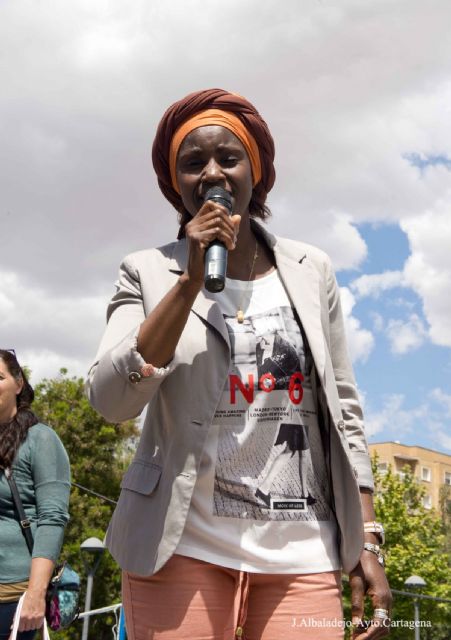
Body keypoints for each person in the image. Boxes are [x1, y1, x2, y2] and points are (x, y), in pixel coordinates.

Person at [87, 88, 392, 639]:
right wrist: (188, 282)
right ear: (173, 182)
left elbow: (343, 408)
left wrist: (367, 536)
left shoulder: (310, 268)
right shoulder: (146, 271)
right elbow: (110, 401)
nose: (211, 174)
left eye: (228, 158)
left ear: (257, 170)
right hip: (180, 548)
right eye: (192, 163)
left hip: (303, 553)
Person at [0, 349, 70, 639]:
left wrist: (36, 593)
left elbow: (53, 517)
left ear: (18, 384)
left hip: (13, 601)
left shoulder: (40, 439)